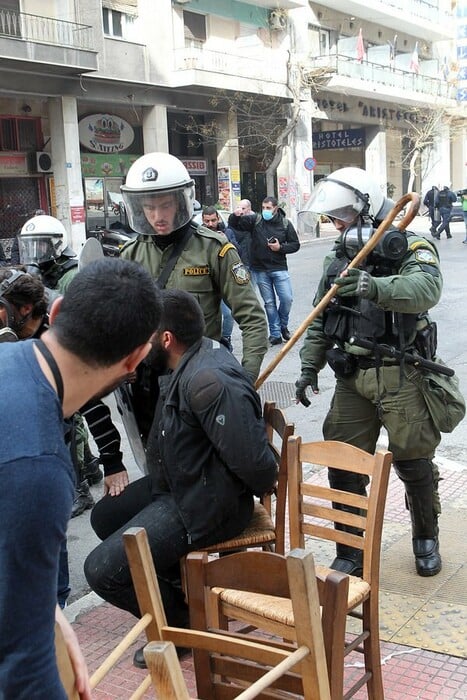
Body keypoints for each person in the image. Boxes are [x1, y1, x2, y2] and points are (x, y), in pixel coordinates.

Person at [84, 288, 278, 668]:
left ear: (167, 339)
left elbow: (259, 468)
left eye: (145, 337)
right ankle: (176, 587)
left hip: (205, 505)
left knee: (101, 571)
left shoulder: (208, 383)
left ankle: (182, 623)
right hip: (183, 485)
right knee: (103, 517)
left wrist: (223, 491)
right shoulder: (186, 363)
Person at [0, 257, 162, 700]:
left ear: (54, 313)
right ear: (136, 358)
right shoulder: (38, 468)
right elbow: (21, 666)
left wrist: (47, 614)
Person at [294, 166, 446, 579]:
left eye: (342, 213)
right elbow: (321, 318)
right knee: (342, 463)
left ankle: (425, 538)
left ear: (365, 207)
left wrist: (373, 287)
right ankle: (350, 548)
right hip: (353, 379)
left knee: (415, 462)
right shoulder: (338, 257)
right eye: (333, 215)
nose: (336, 222)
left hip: (401, 375)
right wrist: (309, 367)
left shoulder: (412, 246)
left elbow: (426, 291)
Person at [118, 152, 267, 439]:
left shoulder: (213, 248)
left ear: (181, 202)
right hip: (147, 384)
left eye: (165, 205)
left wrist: (246, 379)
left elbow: (252, 318)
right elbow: (123, 321)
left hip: (199, 379)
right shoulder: (130, 255)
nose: (158, 216)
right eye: (149, 208)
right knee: (156, 465)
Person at [18, 213, 129, 509]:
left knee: (74, 423)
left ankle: (79, 485)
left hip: (72, 352)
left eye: (43, 246)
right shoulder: (31, 275)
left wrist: (113, 461)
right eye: (33, 246)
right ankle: (88, 469)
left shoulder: (69, 277)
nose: (38, 253)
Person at [228, 195, 300, 345]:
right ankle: (275, 333)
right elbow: (235, 225)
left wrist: (280, 248)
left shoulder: (285, 224)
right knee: (269, 302)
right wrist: (235, 215)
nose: (265, 211)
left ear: (276, 208)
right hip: (260, 269)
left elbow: (295, 244)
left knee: (287, 298)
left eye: (269, 208)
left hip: (279, 267)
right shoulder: (256, 220)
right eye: (263, 208)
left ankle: (283, 325)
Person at [200, 205, 237, 351]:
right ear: (203, 220)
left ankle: (225, 338)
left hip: (224, 281)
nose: (210, 224)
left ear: (218, 219)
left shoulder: (227, 232)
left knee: (228, 314)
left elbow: (237, 252)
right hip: (207, 283)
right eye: (207, 221)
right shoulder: (198, 236)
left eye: (213, 220)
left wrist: (227, 241)